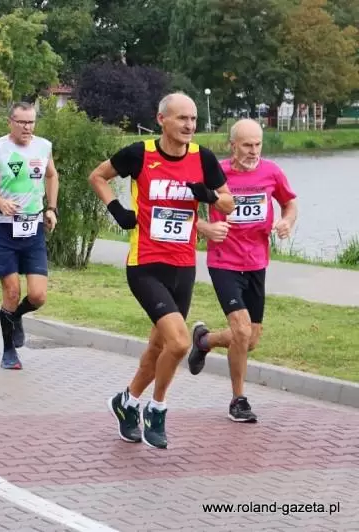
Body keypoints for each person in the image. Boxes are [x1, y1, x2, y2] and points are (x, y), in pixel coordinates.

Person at [88, 92, 235, 449]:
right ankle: (157, 409)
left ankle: (127, 402)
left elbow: (229, 202)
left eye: (193, 119)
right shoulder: (140, 154)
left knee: (159, 348)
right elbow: (98, 176)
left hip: (182, 267)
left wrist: (210, 197)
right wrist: (116, 209)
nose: (189, 125)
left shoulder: (203, 158)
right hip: (146, 265)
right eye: (182, 118)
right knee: (180, 342)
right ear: (161, 120)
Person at [187, 118, 298, 422]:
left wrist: (286, 221)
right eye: (247, 145)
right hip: (224, 262)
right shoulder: (216, 173)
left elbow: (290, 203)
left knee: (250, 340)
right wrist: (205, 227)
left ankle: (204, 341)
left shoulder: (272, 171)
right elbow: (180, 207)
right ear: (232, 145)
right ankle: (238, 400)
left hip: (257, 262)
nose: (253, 151)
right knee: (241, 329)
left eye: (258, 144)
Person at [0, 102, 59, 370]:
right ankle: (9, 351)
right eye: (22, 122)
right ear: (10, 122)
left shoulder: (43, 146)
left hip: (33, 228)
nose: (27, 127)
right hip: (3, 228)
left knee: (38, 296)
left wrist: (51, 208)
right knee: (12, 291)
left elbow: (52, 176)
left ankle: (16, 316)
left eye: (31, 122)